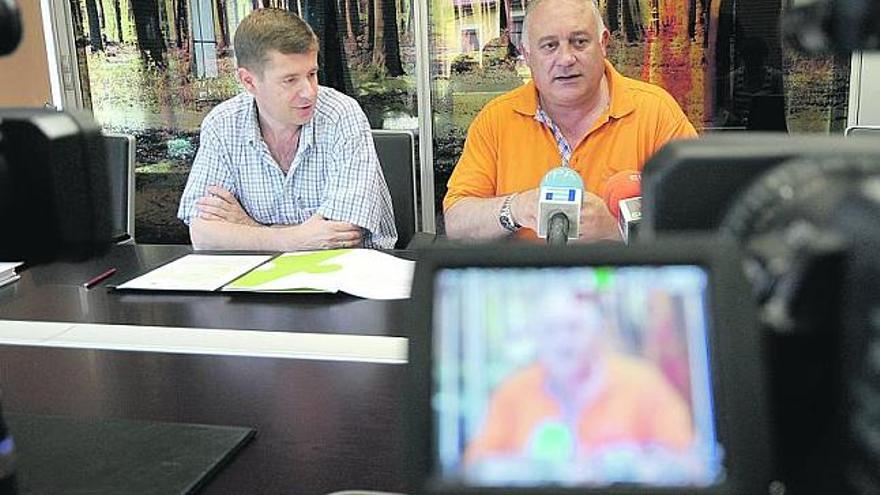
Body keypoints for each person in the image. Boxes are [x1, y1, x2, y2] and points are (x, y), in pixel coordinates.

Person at [443, 0, 697, 242]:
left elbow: (703, 219)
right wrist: (517, 208)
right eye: (549, 46)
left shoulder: (655, 112)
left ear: (603, 43)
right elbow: (457, 222)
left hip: (626, 284)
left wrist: (617, 230)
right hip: (525, 283)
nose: (566, 59)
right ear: (527, 55)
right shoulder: (496, 120)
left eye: (579, 42)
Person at [178, 8, 397, 250]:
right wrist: (295, 238)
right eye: (290, 80)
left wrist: (245, 227)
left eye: (312, 74)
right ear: (248, 81)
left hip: (345, 275)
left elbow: (339, 237)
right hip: (256, 277)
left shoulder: (341, 115)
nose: (309, 92)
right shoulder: (222, 124)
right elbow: (202, 234)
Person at [464, 292, 694, 481]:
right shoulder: (513, 390)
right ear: (537, 339)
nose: (563, 342)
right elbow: (475, 467)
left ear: (597, 333)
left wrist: (625, 468)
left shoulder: (643, 382)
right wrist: (535, 470)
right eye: (550, 331)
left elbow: (689, 463)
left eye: (573, 328)